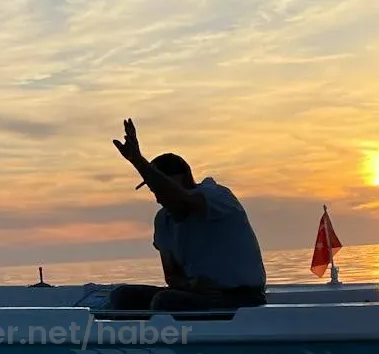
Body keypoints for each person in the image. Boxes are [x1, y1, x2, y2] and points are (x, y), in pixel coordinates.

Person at [108, 118, 267, 312]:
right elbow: (172, 276)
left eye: (160, 185)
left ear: (182, 178)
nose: (157, 195)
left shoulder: (217, 196)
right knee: (122, 296)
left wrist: (138, 161)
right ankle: (129, 341)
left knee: (165, 302)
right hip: (196, 295)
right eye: (152, 188)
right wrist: (191, 285)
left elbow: (181, 204)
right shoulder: (163, 221)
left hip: (242, 298)